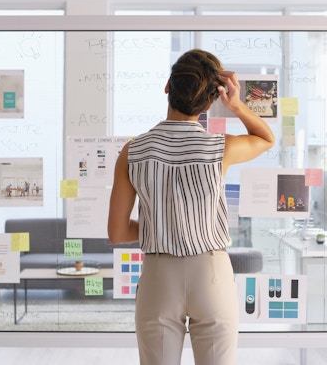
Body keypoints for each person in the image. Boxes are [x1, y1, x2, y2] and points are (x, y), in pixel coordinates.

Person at [107, 49, 275, 365]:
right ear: (211, 100)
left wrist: (164, 224)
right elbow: (266, 138)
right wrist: (237, 105)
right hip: (211, 273)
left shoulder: (132, 151)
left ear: (168, 86)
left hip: (159, 274)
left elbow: (117, 232)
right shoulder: (220, 146)